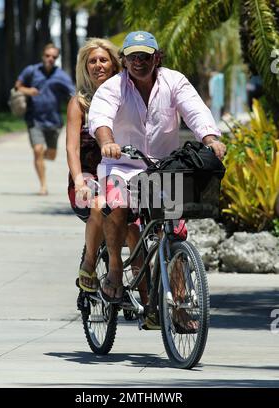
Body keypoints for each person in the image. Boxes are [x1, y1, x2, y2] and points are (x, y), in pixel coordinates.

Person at [89, 31, 227, 330]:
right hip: (122, 164)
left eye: (145, 56)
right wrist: (108, 142)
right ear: (123, 61)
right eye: (133, 57)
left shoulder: (174, 81)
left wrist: (211, 138)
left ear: (157, 57)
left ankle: (179, 306)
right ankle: (114, 268)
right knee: (116, 205)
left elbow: (195, 109)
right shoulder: (113, 88)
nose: (139, 62)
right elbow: (100, 119)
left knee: (174, 232)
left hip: (163, 168)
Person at [66, 38, 147, 304]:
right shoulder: (80, 103)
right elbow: (72, 148)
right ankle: (91, 265)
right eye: (92, 61)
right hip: (89, 177)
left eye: (103, 60)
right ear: (84, 67)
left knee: (135, 226)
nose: (98, 65)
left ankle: (147, 299)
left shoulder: (129, 95)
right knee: (101, 204)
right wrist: (79, 180)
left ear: (114, 64)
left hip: (124, 174)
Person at [15, 43, 75, 195]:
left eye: (54, 57)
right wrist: (29, 91)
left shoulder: (61, 76)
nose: (50, 59)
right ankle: (43, 186)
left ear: (57, 58)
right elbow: (18, 86)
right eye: (47, 55)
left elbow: (74, 94)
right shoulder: (32, 71)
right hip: (34, 119)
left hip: (54, 122)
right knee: (38, 150)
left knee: (51, 155)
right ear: (43, 55)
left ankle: (42, 157)